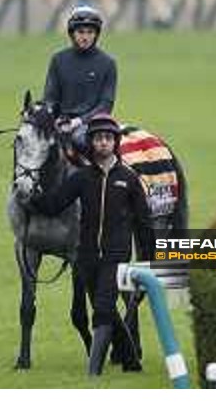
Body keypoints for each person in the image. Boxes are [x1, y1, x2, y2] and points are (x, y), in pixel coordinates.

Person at [28, 113, 153, 376]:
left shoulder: (129, 179)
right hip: (87, 257)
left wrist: (149, 259)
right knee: (105, 309)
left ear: (115, 142)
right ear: (92, 143)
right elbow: (55, 204)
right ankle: (131, 361)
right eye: (98, 138)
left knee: (103, 309)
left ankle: (92, 372)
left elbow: (144, 224)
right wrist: (32, 198)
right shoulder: (82, 178)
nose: (103, 143)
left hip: (116, 255)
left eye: (108, 138)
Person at [43, 5, 117, 156]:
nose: (85, 37)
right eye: (81, 32)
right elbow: (50, 98)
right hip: (61, 123)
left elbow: (106, 105)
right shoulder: (58, 60)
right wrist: (53, 118)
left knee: (79, 139)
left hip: (92, 125)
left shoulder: (108, 63)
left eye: (90, 32)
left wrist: (78, 122)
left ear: (96, 34)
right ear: (72, 33)